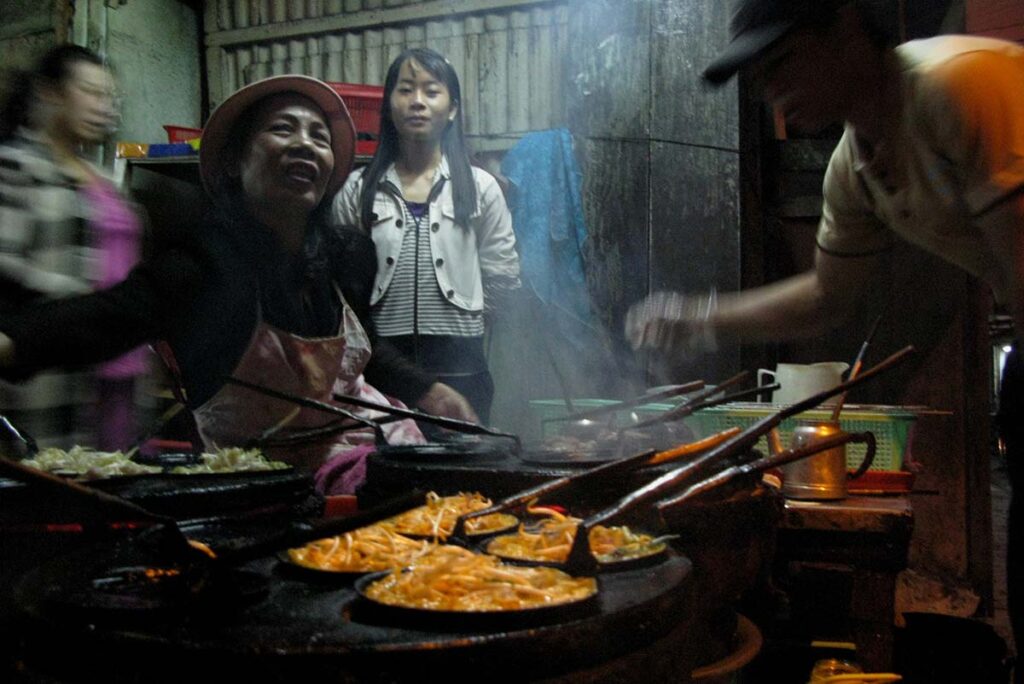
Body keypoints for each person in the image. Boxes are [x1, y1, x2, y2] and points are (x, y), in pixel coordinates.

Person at [626, 0, 1024, 671]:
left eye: (779, 61)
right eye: (756, 73)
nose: (767, 85)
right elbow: (823, 299)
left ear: (844, 31)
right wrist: (696, 315)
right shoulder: (856, 164)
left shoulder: (954, 86)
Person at [0, 74, 476, 492]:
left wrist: (427, 390)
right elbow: (114, 316)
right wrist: (14, 342)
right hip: (264, 482)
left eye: (319, 135)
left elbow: (365, 347)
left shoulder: (344, 255)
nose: (305, 144)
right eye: (282, 128)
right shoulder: (204, 264)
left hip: (377, 446)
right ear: (234, 162)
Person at [331, 47, 520, 424]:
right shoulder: (357, 189)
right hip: (383, 371)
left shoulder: (481, 187)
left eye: (431, 91)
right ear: (388, 105)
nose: (417, 102)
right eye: (405, 90)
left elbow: (502, 276)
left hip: (464, 370)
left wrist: (466, 330)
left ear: (452, 109)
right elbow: (343, 297)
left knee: (462, 476)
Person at [0, 44, 148, 452]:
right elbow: (5, 274)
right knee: (55, 487)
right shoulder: (16, 167)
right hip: (52, 368)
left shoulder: (104, 179)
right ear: (50, 94)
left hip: (119, 367)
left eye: (110, 98)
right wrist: (82, 313)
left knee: (115, 480)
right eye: (92, 92)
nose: (106, 107)